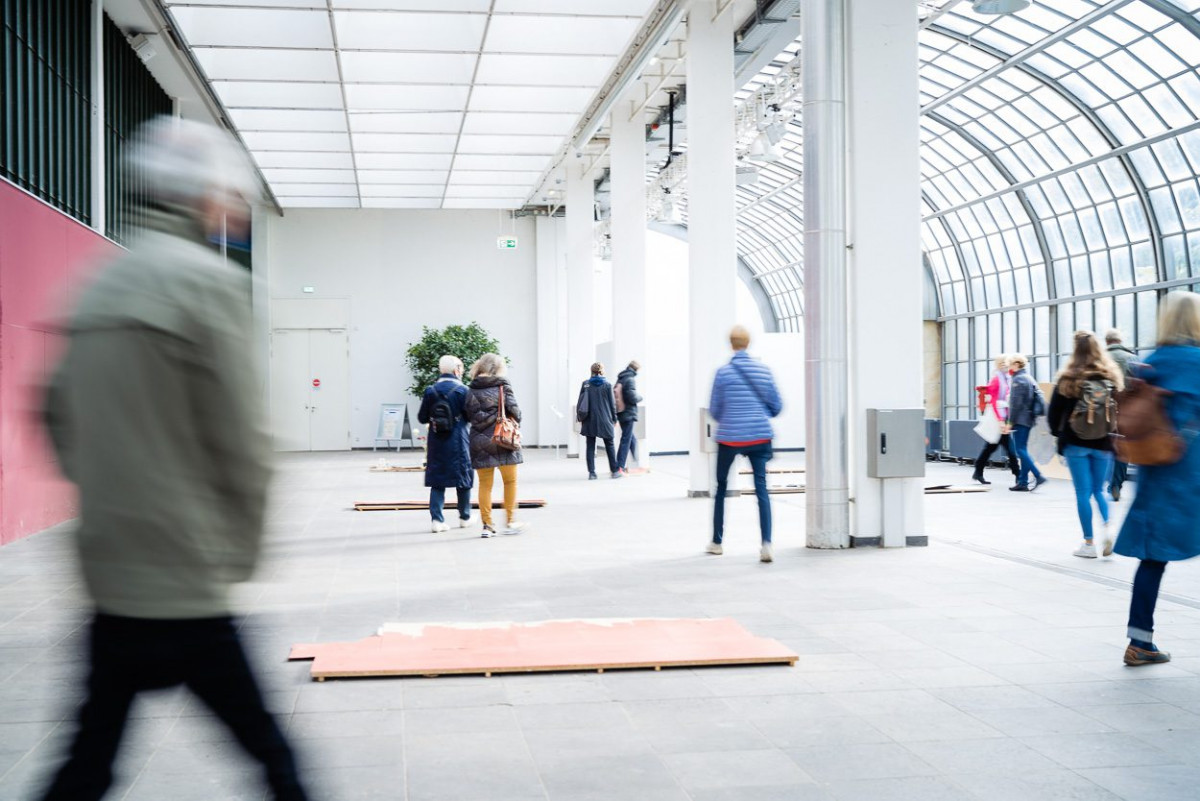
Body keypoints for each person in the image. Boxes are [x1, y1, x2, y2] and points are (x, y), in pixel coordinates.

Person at [37, 119, 309, 801]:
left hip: (111, 576)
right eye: (230, 192)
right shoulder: (207, 286)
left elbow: (55, 418)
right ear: (203, 195)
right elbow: (245, 443)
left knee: (85, 766)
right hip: (184, 579)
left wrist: (111, 490)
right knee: (275, 760)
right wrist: (238, 555)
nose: (237, 207)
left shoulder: (94, 289)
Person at [1114, 292, 1200, 666]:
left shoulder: (1148, 363)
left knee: (1152, 560)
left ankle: (1139, 641)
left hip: (1156, 471)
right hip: (1193, 471)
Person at [706, 325, 783, 563]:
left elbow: (715, 410)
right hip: (760, 436)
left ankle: (717, 542)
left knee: (721, 488)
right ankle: (766, 544)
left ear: (731, 344)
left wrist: (731, 420)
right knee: (761, 489)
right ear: (748, 344)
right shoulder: (763, 370)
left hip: (729, 438)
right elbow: (777, 407)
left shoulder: (723, 373)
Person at [1048, 331, 1124, 559]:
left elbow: (1053, 415)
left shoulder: (1068, 378)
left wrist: (1059, 434)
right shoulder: (1110, 376)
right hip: (1103, 442)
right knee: (1098, 490)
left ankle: (1089, 544)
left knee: (1082, 492)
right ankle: (1108, 528)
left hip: (1075, 442)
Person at [465, 353, 525, 536]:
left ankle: (487, 526)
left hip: (479, 441)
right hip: (503, 439)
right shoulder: (503, 385)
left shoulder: (471, 389)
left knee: (485, 484)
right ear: (497, 368)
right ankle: (510, 522)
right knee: (510, 481)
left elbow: (468, 416)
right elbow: (515, 411)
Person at [417, 355, 473, 532]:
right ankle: (464, 517)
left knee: (437, 480)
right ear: (456, 369)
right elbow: (471, 416)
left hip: (436, 440)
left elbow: (422, 417)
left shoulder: (430, 390)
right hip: (459, 439)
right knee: (463, 477)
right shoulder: (463, 390)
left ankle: (437, 520)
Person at [972, 354, 1020, 485]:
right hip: (998, 419)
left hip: (1003, 417)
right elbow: (993, 401)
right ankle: (1018, 474)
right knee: (1009, 449)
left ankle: (978, 471)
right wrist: (1000, 420)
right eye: (1002, 363)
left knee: (990, 447)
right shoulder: (996, 379)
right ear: (998, 365)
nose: (1004, 365)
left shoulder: (1007, 378)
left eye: (1006, 362)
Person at [1006, 353, 1047, 493]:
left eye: (1010, 364)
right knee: (1023, 449)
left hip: (1020, 420)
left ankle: (1038, 475)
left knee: (1020, 450)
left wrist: (1010, 422)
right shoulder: (1029, 378)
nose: (1008, 368)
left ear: (1017, 364)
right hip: (1028, 419)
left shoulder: (1018, 380)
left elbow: (1015, 404)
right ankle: (1023, 482)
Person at [1105, 328, 1137, 501]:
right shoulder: (1132, 358)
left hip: (1102, 411)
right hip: (1126, 410)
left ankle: (1097, 484)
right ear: (1120, 341)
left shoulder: (1099, 358)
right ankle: (1116, 484)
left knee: (1100, 446)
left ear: (1107, 342)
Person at [577, 363, 620, 479]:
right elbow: (612, 405)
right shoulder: (607, 385)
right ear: (602, 371)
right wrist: (614, 419)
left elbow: (580, 403)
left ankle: (592, 473)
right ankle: (614, 471)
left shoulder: (586, 384)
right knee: (610, 445)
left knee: (590, 446)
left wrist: (580, 418)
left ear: (591, 371)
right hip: (605, 419)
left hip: (589, 419)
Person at [615, 360, 643, 473]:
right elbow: (631, 397)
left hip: (621, 412)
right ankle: (619, 466)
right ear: (636, 369)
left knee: (631, 438)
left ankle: (635, 464)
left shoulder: (621, 378)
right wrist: (640, 398)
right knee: (626, 439)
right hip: (628, 413)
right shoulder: (630, 379)